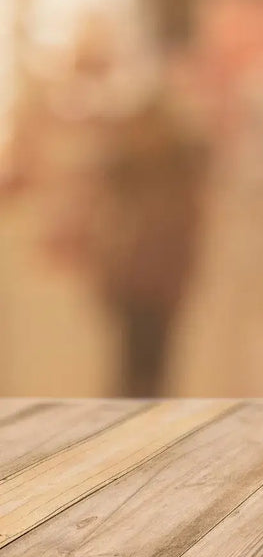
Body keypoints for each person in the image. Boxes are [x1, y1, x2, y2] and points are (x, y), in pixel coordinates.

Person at [88, 91, 210, 397]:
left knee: (157, 362)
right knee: (130, 359)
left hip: (159, 281)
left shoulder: (179, 177)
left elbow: (189, 231)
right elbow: (108, 226)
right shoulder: (125, 175)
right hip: (133, 279)